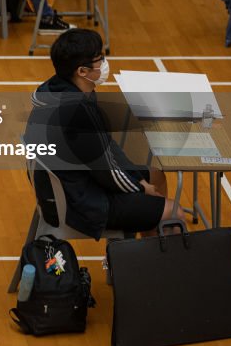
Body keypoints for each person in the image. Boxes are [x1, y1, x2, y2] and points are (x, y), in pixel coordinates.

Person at [26, 28, 186, 240]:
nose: (104, 64)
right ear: (82, 71)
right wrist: (139, 187)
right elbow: (107, 171)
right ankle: (154, 263)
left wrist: (141, 180)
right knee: (173, 212)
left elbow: (105, 147)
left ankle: (145, 246)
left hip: (66, 185)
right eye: (99, 59)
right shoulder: (77, 112)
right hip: (79, 201)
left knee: (156, 175)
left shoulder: (57, 88)